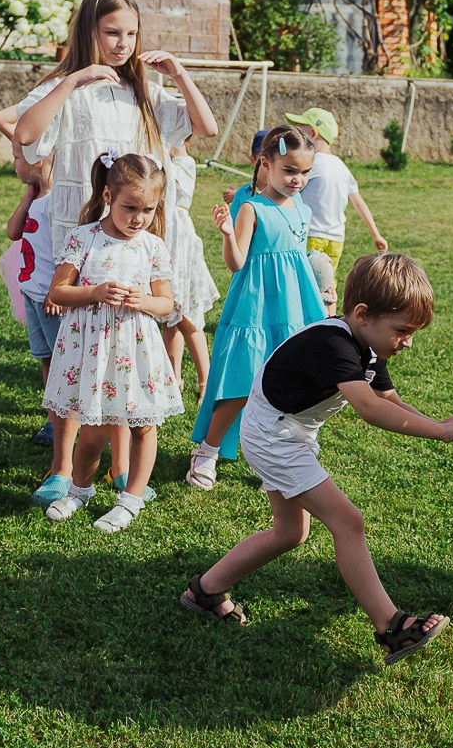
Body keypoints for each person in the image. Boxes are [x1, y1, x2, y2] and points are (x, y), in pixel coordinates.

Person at [179, 252, 453, 666]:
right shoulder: (332, 342)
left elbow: (390, 399)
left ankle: (205, 590)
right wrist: (438, 430)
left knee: (290, 534)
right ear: (363, 314)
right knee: (348, 520)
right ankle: (392, 628)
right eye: (403, 330)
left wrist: (436, 423)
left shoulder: (369, 347)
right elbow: (370, 409)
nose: (408, 341)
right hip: (274, 437)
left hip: (285, 432)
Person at [5, 0, 219, 507]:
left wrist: (179, 74)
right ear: (89, 33)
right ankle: (61, 467)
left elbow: (206, 128)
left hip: (134, 247)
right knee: (69, 357)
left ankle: (120, 467)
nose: (122, 43)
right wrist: (73, 77)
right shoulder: (68, 88)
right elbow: (25, 131)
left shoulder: (145, 93)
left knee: (123, 354)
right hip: (77, 241)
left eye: (130, 33)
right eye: (110, 33)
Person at [40, 153, 183, 531]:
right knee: (92, 433)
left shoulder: (152, 247)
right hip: (92, 349)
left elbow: (166, 302)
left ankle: (130, 500)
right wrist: (95, 292)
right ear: (107, 195)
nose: (138, 218)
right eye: (130, 207)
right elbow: (58, 292)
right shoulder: (83, 238)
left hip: (136, 349)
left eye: (148, 209)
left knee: (142, 426)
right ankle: (79, 489)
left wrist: (145, 302)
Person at [186, 124, 326, 488]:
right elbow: (236, 263)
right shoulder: (250, 207)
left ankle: (283, 454)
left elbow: (297, 259)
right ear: (266, 164)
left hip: (293, 308)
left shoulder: (302, 210)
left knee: (291, 382)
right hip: (255, 306)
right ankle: (207, 450)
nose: (297, 180)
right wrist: (229, 235)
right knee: (243, 380)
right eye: (290, 170)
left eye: (305, 172)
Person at [285, 106, 387, 311]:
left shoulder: (311, 163)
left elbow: (289, 190)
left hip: (310, 234)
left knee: (302, 280)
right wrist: (376, 234)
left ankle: (300, 321)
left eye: (299, 131)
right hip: (336, 239)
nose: (294, 134)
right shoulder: (342, 167)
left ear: (312, 134)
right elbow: (359, 202)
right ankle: (329, 320)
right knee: (328, 282)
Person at [3, 151, 61, 450]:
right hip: (30, 293)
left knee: (62, 359)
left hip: (50, 298)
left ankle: (64, 419)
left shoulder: (58, 202)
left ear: (36, 160)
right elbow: (13, 232)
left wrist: (57, 289)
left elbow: (66, 252)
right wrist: (28, 195)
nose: (14, 165)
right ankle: (53, 417)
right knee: (47, 358)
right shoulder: (37, 198)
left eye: (17, 158)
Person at [161, 140, 219, 398]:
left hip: (179, 240)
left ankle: (206, 382)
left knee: (185, 316)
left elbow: (167, 189)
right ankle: (172, 379)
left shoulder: (183, 162)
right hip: (163, 235)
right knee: (168, 317)